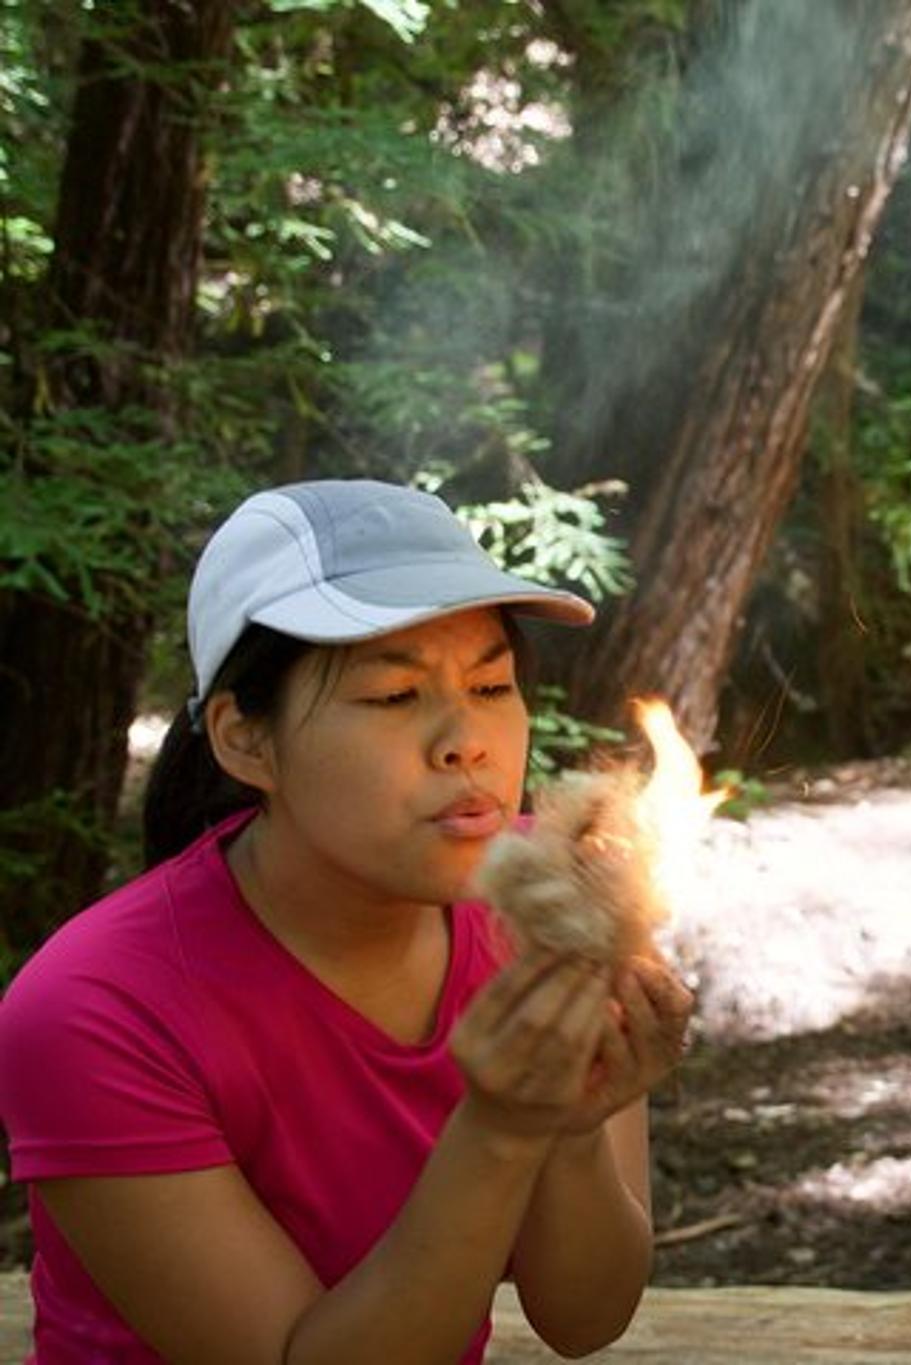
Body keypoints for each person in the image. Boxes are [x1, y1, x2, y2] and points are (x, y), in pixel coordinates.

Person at [0, 480, 696, 1363]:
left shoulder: (549, 903)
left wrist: (571, 1128)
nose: (466, 741)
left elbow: (585, 1314)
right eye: (395, 697)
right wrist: (503, 1127)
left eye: (491, 682)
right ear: (246, 739)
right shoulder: (95, 1010)